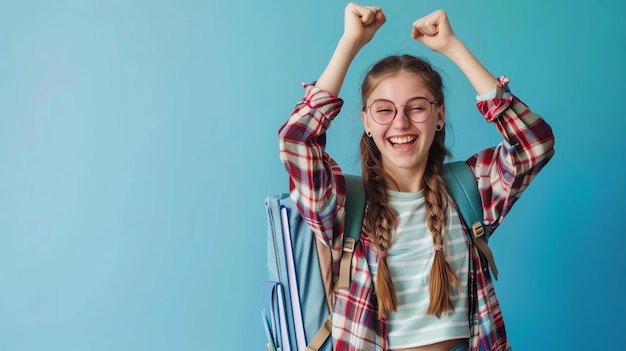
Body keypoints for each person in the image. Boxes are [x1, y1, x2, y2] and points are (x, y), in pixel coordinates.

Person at [277, 3, 555, 351]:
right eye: (384, 110)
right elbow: (296, 141)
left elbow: (534, 144)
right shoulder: (343, 206)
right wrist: (349, 43)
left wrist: (454, 47)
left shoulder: (471, 189)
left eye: (417, 107)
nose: (401, 123)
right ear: (366, 121)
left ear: (439, 116)